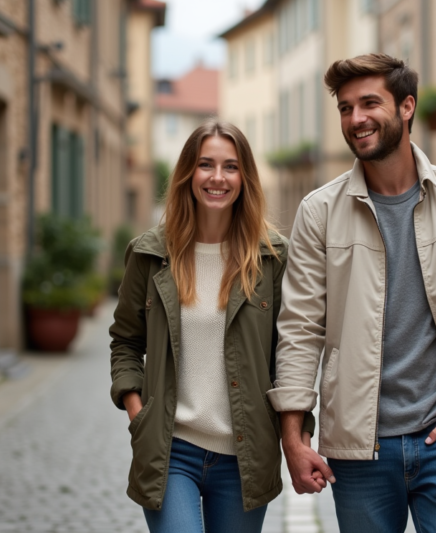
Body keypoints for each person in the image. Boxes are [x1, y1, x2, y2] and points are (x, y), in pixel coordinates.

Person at [267, 54, 436, 533]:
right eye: (345, 108)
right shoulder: (318, 212)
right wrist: (294, 437)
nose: (356, 119)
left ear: (407, 107)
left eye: (369, 103)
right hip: (359, 449)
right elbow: (299, 329)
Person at [109, 121, 311, 533]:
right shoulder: (149, 255)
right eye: (206, 165)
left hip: (245, 456)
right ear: (188, 173)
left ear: (245, 178)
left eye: (230, 167)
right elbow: (125, 341)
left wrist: (298, 433)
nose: (218, 177)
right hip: (169, 452)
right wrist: (137, 412)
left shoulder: (272, 258)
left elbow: (293, 352)